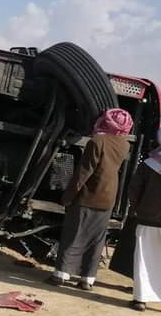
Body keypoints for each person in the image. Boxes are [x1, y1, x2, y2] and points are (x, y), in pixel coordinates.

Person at [48, 108, 134, 290]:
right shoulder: (125, 145)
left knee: (74, 234)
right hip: (109, 196)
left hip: (88, 195)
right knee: (96, 240)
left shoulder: (96, 141)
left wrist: (68, 196)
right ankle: (87, 279)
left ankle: (61, 275)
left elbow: (83, 173)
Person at [127, 130, 161, 311]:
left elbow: (134, 189)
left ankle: (140, 299)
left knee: (143, 258)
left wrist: (137, 209)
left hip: (147, 217)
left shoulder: (148, 164)